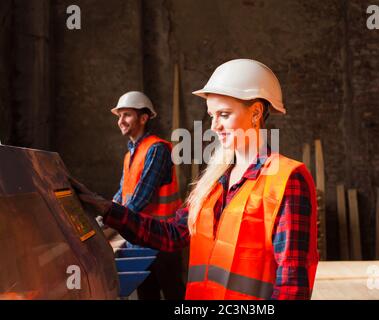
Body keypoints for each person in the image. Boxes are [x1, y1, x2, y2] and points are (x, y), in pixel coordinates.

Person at [72, 59, 319, 300]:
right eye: (212, 115)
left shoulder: (286, 180)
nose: (215, 126)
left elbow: (292, 288)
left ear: (255, 113)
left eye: (224, 114)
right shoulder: (214, 181)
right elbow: (171, 234)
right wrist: (107, 209)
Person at [110, 91, 185, 300]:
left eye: (126, 115)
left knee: (173, 293)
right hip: (141, 238)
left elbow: (141, 198)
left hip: (162, 239)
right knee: (146, 295)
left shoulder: (157, 149)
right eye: (119, 116)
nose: (121, 121)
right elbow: (123, 193)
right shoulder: (130, 154)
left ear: (143, 118)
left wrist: (112, 218)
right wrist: (104, 211)